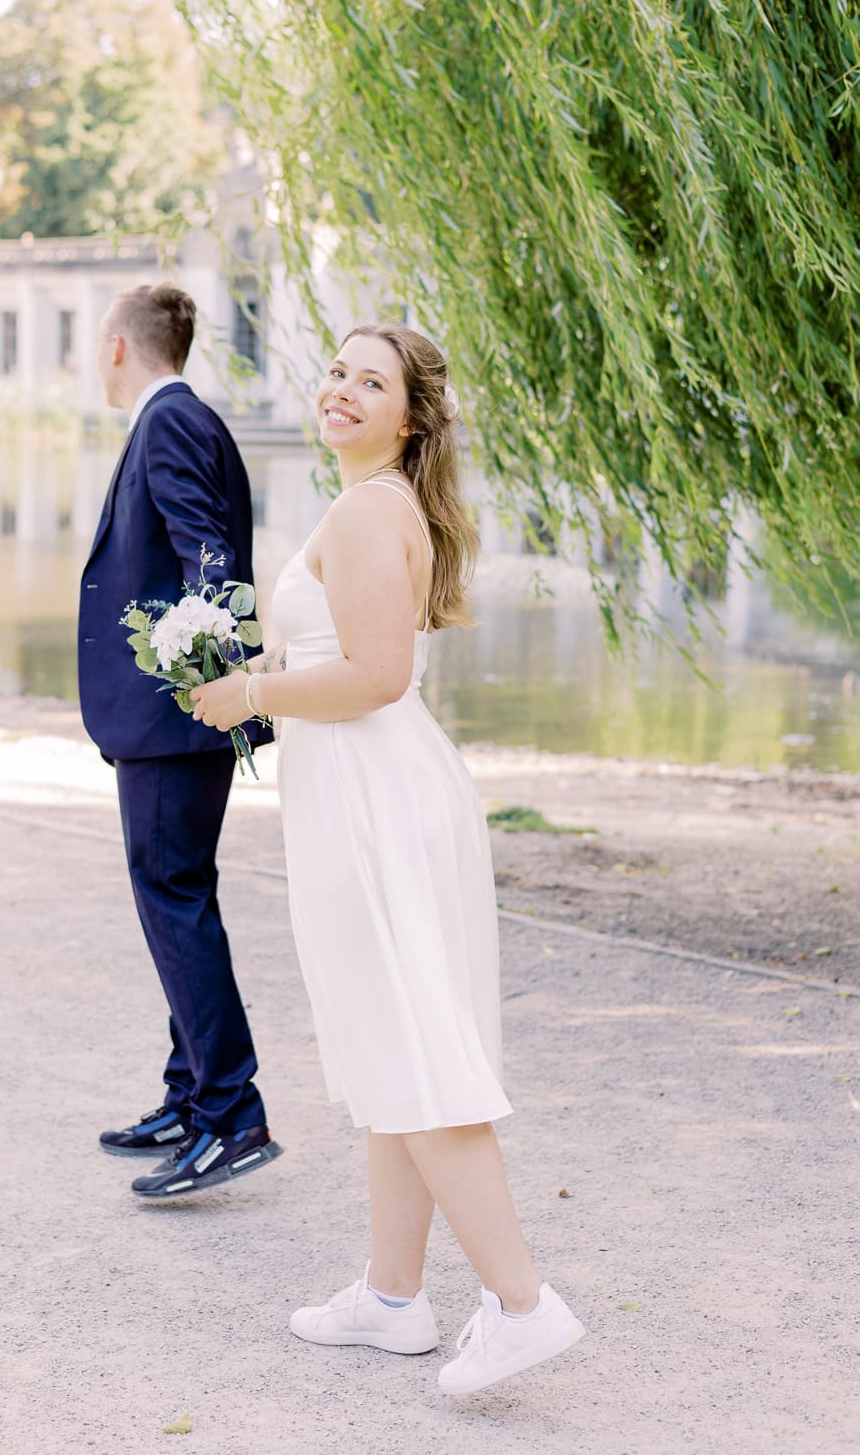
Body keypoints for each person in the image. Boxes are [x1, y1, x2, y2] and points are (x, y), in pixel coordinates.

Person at [190, 323, 586, 1393]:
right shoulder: (368, 506)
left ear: (409, 419)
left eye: (374, 382)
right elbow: (337, 656)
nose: (344, 391)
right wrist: (246, 666)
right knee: (385, 1047)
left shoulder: (370, 511)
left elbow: (374, 675)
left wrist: (254, 695)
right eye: (337, 372)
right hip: (367, 795)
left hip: (377, 804)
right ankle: (393, 1296)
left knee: (414, 1052)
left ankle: (523, 1304)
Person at [78, 283, 280, 1200]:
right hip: (181, 716)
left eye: (96, 343)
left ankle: (232, 1114)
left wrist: (202, 680)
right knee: (179, 897)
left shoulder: (170, 424)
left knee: (175, 899)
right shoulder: (187, 418)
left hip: (177, 718)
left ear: (119, 347)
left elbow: (208, 555)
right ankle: (190, 1096)